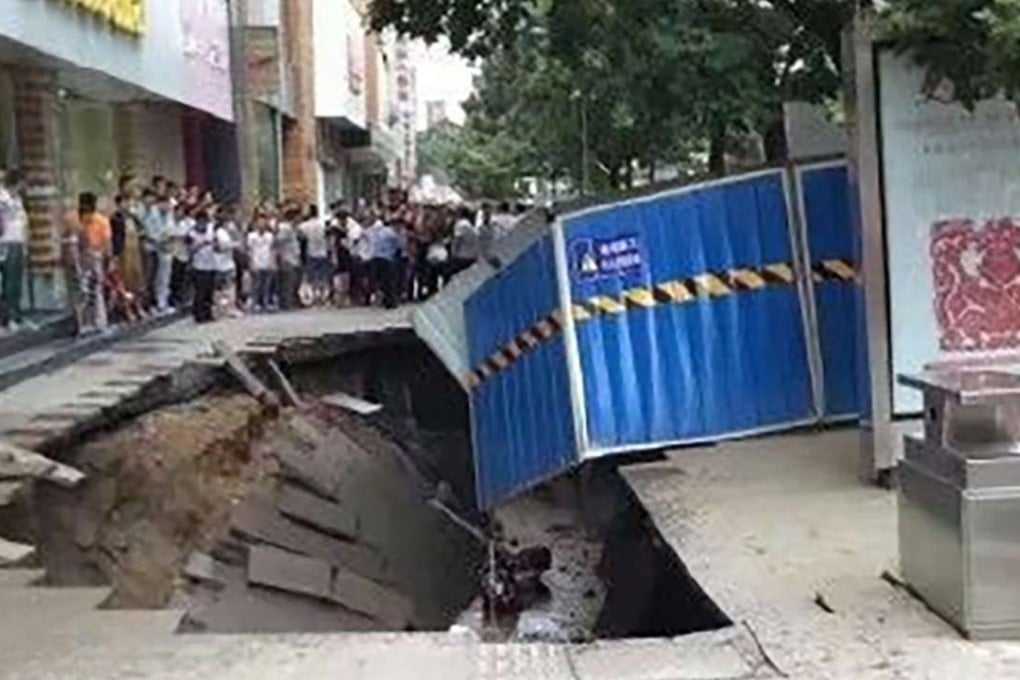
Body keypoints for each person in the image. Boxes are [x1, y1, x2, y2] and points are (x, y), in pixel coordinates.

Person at [78, 192, 112, 334]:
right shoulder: (101, 220)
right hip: (92, 256)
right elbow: (107, 242)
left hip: (88, 256)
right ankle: (97, 322)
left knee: (88, 290)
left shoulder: (82, 219)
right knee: (93, 291)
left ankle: (90, 323)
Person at [0, 170, 29, 331]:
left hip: (17, 241)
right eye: (21, 184)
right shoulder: (2, 198)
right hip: (6, 241)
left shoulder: (17, 199)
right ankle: (7, 318)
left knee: (17, 281)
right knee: (8, 282)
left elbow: (23, 220)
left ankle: (16, 316)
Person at [364, 211, 402, 309]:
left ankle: (381, 299)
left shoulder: (369, 232)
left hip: (375, 258)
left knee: (377, 280)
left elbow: (366, 244)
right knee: (389, 281)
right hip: (388, 258)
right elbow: (397, 244)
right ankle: (391, 301)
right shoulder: (389, 231)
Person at [188, 205, 218, 323]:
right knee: (200, 291)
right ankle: (198, 314)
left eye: (204, 222)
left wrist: (214, 244)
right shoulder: (191, 233)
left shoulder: (211, 230)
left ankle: (208, 313)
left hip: (211, 264)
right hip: (198, 266)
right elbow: (190, 250)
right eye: (200, 222)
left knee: (209, 292)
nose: (203, 225)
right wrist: (201, 244)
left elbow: (217, 246)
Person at [298, 204, 332, 305]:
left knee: (312, 277)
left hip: (311, 253)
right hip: (322, 252)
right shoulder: (321, 225)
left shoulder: (304, 226)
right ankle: (322, 295)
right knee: (322, 276)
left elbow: (301, 238)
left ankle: (315, 295)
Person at [274, 208, 302, 310]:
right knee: (287, 282)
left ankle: (289, 301)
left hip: (292, 257)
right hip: (287, 258)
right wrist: (281, 256)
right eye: (298, 216)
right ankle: (286, 303)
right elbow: (279, 241)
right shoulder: (285, 228)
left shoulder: (292, 228)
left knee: (291, 281)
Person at [247, 212, 275, 313]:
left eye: (263, 222)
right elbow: (250, 251)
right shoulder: (251, 236)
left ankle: (265, 304)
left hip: (267, 261)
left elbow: (272, 250)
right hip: (256, 261)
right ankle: (254, 304)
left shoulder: (270, 236)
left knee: (266, 286)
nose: (261, 224)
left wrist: (272, 263)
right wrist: (251, 263)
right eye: (259, 222)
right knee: (256, 285)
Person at [449, 206, 479, 276]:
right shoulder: (471, 225)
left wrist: (453, 253)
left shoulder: (461, 224)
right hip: (472, 256)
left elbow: (457, 239)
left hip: (462, 256)